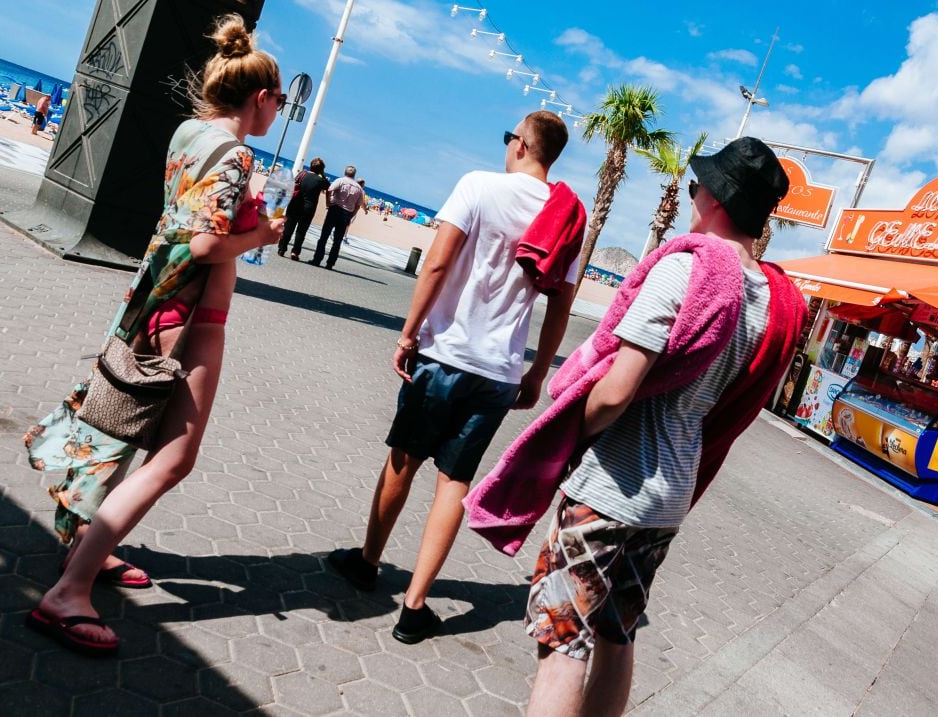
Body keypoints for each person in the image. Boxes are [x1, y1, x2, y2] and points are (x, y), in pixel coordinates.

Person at [479, 137, 806, 716]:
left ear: (715, 198)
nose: (692, 194)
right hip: (670, 494)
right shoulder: (768, 296)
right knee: (616, 631)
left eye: (696, 185)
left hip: (612, 486)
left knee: (562, 639)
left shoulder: (686, 270)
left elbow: (617, 390)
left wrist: (569, 437)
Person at [22, 14, 286, 656]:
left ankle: (89, 546)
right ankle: (69, 591)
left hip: (149, 303)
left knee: (124, 430)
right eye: (280, 100)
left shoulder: (190, 132)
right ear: (260, 97)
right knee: (173, 458)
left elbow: (183, 217)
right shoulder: (237, 153)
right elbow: (203, 244)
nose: (280, 110)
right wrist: (261, 235)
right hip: (192, 318)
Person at [329, 110, 584, 644]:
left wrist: (407, 333)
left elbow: (438, 264)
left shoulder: (478, 186)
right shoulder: (565, 216)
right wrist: (537, 372)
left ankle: (368, 562)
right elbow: (559, 306)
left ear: (520, 144)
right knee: (455, 481)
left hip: (444, 355)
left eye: (509, 136)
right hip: (498, 371)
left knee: (403, 460)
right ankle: (415, 606)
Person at [309, 164, 365, 269]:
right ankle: (330, 263)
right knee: (337, 240)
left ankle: (317, 259)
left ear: (345, 172)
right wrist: (351, 215)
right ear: (354, 175)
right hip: (346, 214)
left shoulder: (340, 181)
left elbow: (329, 190)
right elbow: (358, 205)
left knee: (324, 236)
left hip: (335, 209)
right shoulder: (359, 188)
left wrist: (328, 203)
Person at [276, 156, 330, 260]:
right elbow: (328, 186)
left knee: (288, 227)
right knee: (301, 230)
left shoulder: (302, 174)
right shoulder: (319, 180)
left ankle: (282, 249)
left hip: (294, 203)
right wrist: (322, 174)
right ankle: (295, 252)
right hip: (308, 208)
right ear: (321, 169)